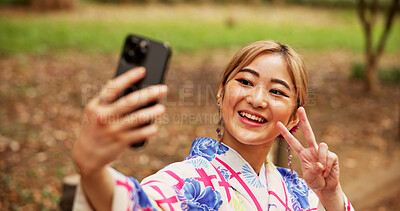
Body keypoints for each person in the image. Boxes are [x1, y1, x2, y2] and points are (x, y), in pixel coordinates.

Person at [72, 41, 354, 211]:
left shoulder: (301, 194)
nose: (256, 99)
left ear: (294, 118)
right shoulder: (186, 183)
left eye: (277, 92)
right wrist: (92, 171)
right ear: (221, 93)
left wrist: (331, 195)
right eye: (245, 82)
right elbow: (136, 203)